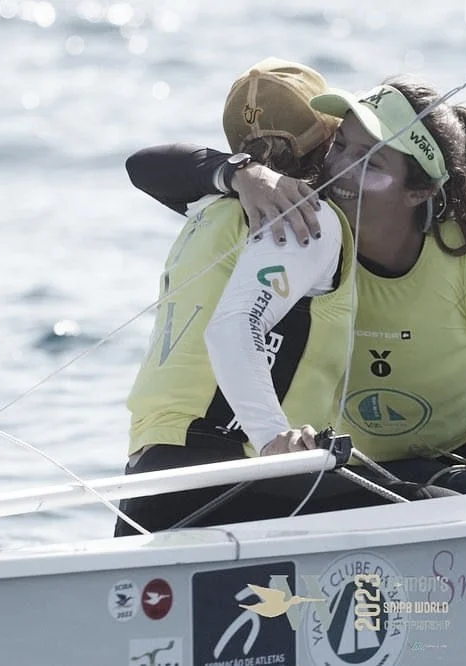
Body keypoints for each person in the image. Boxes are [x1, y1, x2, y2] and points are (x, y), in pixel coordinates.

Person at [126, 74, 466, 495]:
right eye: (341, 147)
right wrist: (241, 171)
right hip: (370, 463)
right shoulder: (297, 225)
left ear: (420, 191)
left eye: (370, 163)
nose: (341, 169)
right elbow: (147, 167)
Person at [116, 57, 359, 536]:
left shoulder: (204, 208)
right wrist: (272, 439)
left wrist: (236, 171)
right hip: (238, 475)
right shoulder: (309, 218)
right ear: (327, 141)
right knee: (436, 493)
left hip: (148, 474)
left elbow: (142, 164)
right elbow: (231, 329)